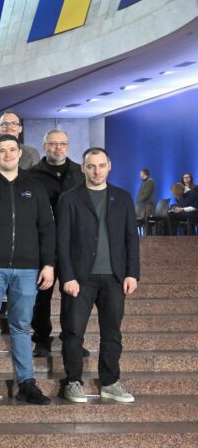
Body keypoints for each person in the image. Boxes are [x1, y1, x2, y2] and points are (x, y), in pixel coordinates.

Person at [0, 135, 55, 407]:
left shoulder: (35, 187)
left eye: (11, 150)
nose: (7, 155)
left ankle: (26, 383)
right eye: (1, 150)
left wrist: (48, 263)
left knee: (21, 327)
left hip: (27, 269)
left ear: (19, 153)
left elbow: (47, 228)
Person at [57, 148, 140, 404]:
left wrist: (132, 273)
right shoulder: (69, 199)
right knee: (73, 332)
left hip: (115, 277)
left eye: (101, 165)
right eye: (91, 166)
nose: (96, 171)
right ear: (83, 168)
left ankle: (110, 382)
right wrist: (67, 276)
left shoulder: (123, 198)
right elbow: (62, 241)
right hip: (80, 279)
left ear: (109, 166)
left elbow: (131, 238)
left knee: (112, 332)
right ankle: (73, 382)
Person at [30, 129, 84, 357]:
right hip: (43, 244)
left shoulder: (80, 173)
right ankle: (42, 339)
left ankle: (72, 340)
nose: (58, 148)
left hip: (74, 244)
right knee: (42, 295)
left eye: (62, 144)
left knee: (73, 296)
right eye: (53, 144)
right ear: (44, 146)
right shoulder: (31, 175)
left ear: (68, 146)